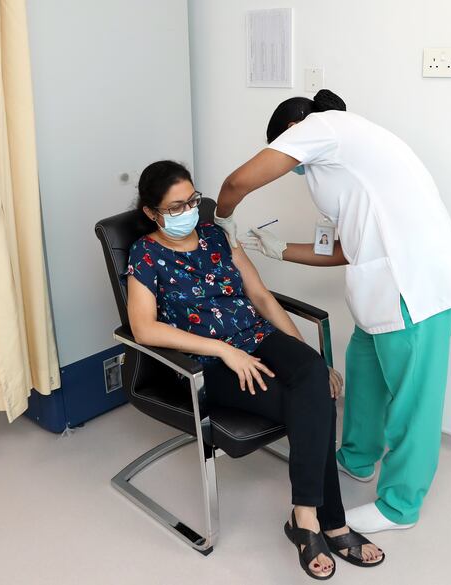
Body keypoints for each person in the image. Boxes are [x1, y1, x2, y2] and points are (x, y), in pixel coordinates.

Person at [213, 90, 451, 534]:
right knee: (365, 377)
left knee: (414, 403)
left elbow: (237, 183)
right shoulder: (348, 158)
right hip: (381, 292)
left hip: (415, 290)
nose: (293, 167)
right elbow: (345, 248)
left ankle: (399, 505)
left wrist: (222, 217)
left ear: (293, 132)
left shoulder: (324, 126)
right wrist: (281, 250)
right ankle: (357, 458)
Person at [125, 160, 384, 580]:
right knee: (306, 404)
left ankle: (305, 516)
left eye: (193, 199)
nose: (190, 210)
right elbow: (143, 327)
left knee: (313, 381)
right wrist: (223, 351)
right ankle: (331, 521)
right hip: (211, 362)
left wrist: (310, 360)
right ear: (151, 214)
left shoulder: (217, 235)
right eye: (175, 207)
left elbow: (260, 296)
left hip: (258, 336)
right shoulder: (146, 254)